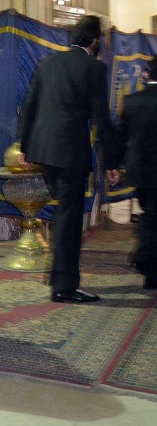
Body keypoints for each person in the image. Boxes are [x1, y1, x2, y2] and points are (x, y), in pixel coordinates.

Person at [16, 15, 120, 303]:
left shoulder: (47, 63)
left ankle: (59, 277)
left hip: (43, 151)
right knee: (70, 219)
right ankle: (64, 286)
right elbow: (102, 118)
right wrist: (112, 162)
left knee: (64, 213)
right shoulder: (94, 68)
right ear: (95, 40)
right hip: (70, 153)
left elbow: (29, 105)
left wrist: (23, 146)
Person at [115, 56, 157, 290]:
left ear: (148, 74)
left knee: (149, 214)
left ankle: (146, 262)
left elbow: (120, 136)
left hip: (140, 172)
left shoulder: (132, 101)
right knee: (152, 216)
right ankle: (147, 264)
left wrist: (115, 165)